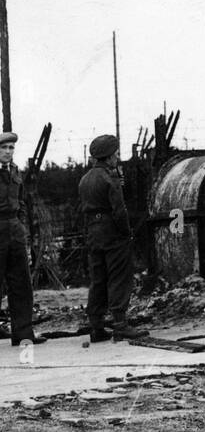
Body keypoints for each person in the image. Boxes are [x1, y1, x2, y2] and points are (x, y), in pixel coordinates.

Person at [78, 134, 144, 341]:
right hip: (112, 231)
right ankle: (120, 324)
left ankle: (96, 327)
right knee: (119, 276)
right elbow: (119, 210)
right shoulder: (110, 178)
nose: (117, 157)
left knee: (98, 279)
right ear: (108, 157)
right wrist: (126, 232)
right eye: (116, 154)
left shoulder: (85, 179)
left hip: (93, 231)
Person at [0, 131, 43, 346]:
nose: (8, 152)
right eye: (3, 148)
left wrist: (21, 225)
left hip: (14, 230)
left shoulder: (15, 171)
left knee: (21, 283)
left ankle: (23, 333)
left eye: (11, 148)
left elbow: (22, 202)